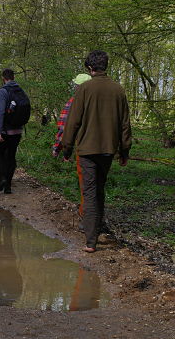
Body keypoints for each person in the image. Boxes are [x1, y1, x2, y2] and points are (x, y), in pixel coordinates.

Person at [62, 50, 132, 253]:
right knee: (99, 189)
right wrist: (124, 151)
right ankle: (97, 230)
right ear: (105, 66)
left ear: (90, 68)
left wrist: (66, 149)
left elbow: (72, 122)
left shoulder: (84, 89)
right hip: (108, 150)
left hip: (87, 149)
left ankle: (91, 241)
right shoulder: (118, 90)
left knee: (90, 192)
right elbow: (125, 124)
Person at [52, 73, 92, 218]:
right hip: (103, 150)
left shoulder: (73, 102)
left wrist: (58, 148)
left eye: (75, 85)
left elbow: (63, 127)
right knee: (97, 185)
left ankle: (86, 217)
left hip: (83, 148)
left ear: (77, 87)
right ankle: (95, 217)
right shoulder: (98, 101)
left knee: (86, 185)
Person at [0, 68, 31, 195]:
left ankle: (3, 178)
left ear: (3, 78)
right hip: (18, 131)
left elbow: (0, 112)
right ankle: (8, 187)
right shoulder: (20, 90)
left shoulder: (3, 91)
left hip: (6, 130)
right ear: (13, 77)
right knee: (11, 156)